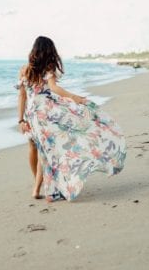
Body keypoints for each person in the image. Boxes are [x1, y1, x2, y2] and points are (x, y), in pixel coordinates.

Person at [16, 36, 126, 202]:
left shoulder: (24, 70)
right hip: (45, 114)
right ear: (49, 51)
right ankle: (38, 188)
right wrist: (75, 98)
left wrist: (21, 120)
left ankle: (38, 186)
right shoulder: (48, 68)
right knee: (44, 151)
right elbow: (54, 88)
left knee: (35, 147)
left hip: (31, 114)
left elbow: (22, 96)